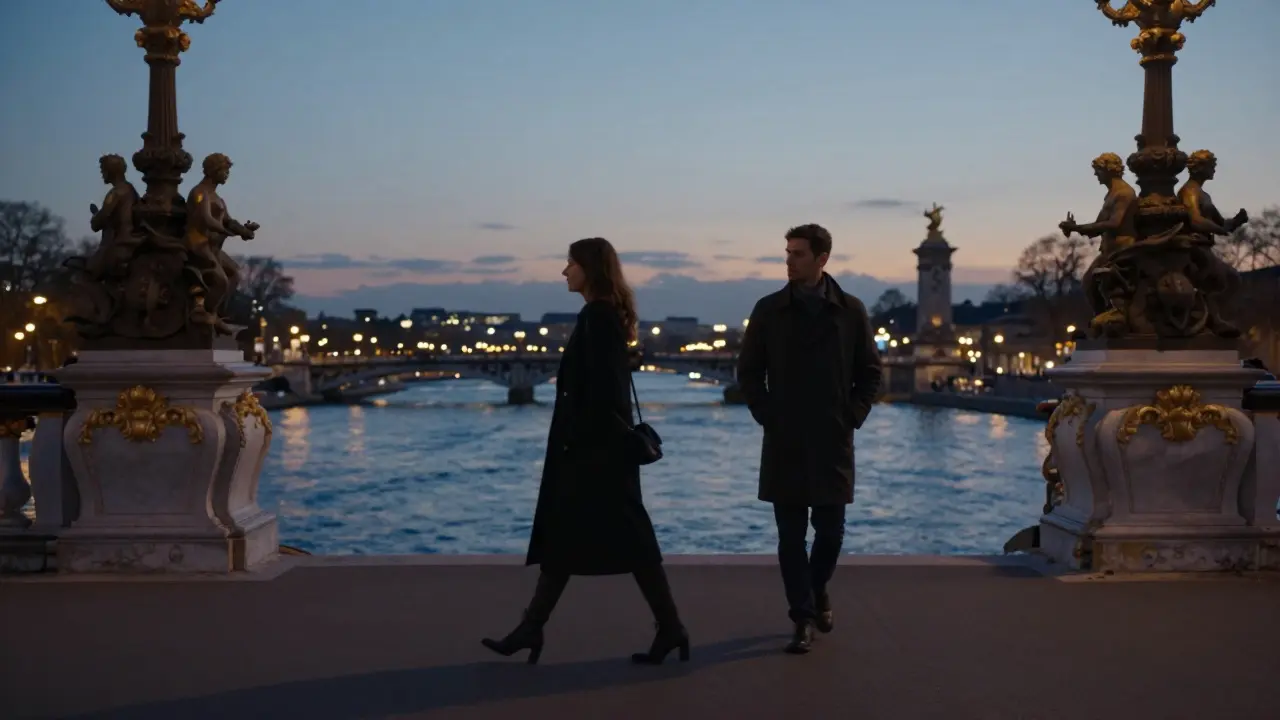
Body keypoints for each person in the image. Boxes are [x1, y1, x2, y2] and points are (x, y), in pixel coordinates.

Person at [481, 237, 688, 666]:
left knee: (602, 539)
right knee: (584, 540)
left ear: (589, 269)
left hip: (594, 454)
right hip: (597, 450)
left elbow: (602, 393)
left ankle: (535, 628)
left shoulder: (597, 317)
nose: (564, 271)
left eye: (570, 263)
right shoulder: (603, 315)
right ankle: (535, 626)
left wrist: (583, 439)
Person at [736, 223, 882, 655]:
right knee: (789, 536)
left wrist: (852, 416)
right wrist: (767, 415)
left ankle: (816, 591)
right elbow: (747, 372)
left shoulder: (851, 310)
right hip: (785, 437)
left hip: (832, 436)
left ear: (821, 260)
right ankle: (801, 617)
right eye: (787, 252)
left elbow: (870, 372)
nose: (788, 260)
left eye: (797, 253)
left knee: (831, 533)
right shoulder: (767, 310)